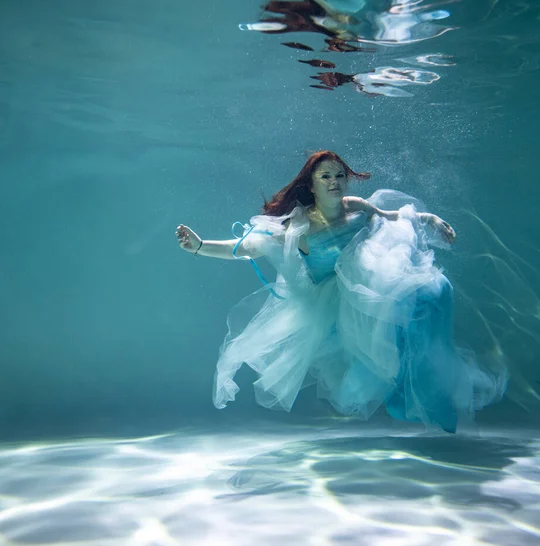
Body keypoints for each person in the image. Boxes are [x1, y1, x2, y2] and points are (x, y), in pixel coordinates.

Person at [176, 151, 507, 433]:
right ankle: (400, 397)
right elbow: (246, 247)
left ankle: (427, 396)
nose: (335, 182)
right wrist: (200, 246)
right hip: (332, 306)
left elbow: (393, 218)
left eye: (339, 175)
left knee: (432, 293)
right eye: (326, 177)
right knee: (360, 379)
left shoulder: (357, 207)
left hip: (369, 288)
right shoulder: (299, 225)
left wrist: (429, 218)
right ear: (312, 184)